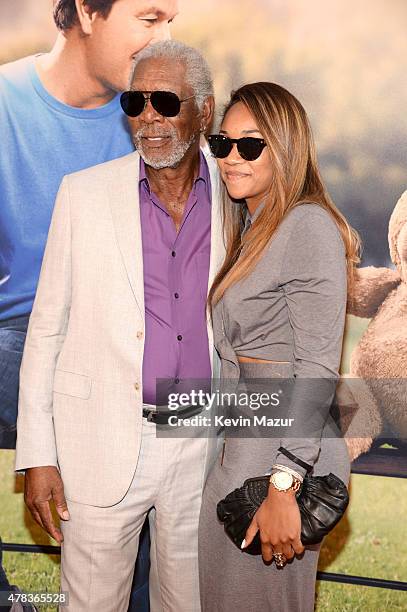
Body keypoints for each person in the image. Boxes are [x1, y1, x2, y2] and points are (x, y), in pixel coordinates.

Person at [15, 40, 224, 611]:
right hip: (98, 440)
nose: (149, 117)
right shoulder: (83, 195)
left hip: (200, 445)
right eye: (136, 102)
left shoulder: (238, 198)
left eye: (166, 101)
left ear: (204, 112)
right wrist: (38, 455)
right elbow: (46, 332)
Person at [0, 1, 177, 608]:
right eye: (150, 18)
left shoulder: (158, 113)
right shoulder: (4, 106)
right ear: (86, 11)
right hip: (21, 336)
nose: (164, 38)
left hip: (132, 339)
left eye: (170, 21)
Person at [199, 82, 360, 612]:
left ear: (286, 147)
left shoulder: (306, 224)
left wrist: (284, 485)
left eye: (251, 144)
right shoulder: (254, 227)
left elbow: (316, 365)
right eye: (223, 144)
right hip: (244, 443)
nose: (231, 158)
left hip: (278, 461)